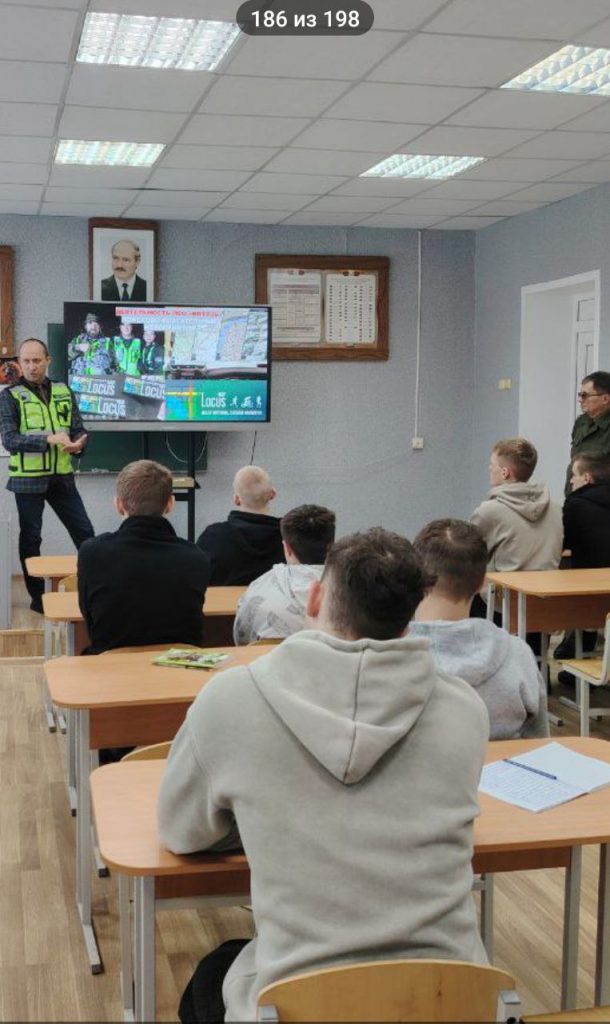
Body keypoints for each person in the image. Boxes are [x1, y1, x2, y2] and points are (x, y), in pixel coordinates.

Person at [158, 527, 489, 1023]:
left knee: (212, 975)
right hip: (452, 998)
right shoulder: (465, 709)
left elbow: (181, 833)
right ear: (410, 615)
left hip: (298, 1003)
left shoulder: (228, 699)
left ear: (314, 598)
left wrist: (260, 820)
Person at [410, 518, 548, 739]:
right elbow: (537, 742)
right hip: (507, 761)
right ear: (483, 583)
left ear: (414, 577)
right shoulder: (518, 653)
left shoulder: (389, 657)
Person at [77, 459, 210, 654]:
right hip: (179, 668)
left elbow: (89, 619)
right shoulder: (196, 557)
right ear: (170, 504)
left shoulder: (92, 552)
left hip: (111, 667)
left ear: (119, 505)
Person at [0, 338, 94, 613]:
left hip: (62, 476)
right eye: (26, 361)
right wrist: (48, 440)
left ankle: (93, 589)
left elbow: (78, 428)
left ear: (48, 360)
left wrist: (79, 444)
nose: (32, 366)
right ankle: (37, 598)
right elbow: (10, 440)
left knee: (85, 533)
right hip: (27, 479)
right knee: (31, 538)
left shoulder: (64, 390)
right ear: (19, 363)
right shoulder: (10, 396)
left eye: (37, 360)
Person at [233, 503, 336, 644]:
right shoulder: (355, 591)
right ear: (333, 546)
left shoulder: (259, 589)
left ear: (287, 548)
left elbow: (241, 638)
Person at [471, 438, 562, 574]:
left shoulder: (488, 512)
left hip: (502, 587)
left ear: (504, 473)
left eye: (492, 464)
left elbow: (467, 555)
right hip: (548, 587)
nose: (489, 468)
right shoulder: (557, 511)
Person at [554, 451, 610, 661]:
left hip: (588, 589)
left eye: (574, 475)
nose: (571, 481)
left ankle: (577, 653)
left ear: (586, 478)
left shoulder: (576, 505)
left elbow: (563, 543)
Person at [196, 465, 285, 585]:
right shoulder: (291, 537)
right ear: (272, 494)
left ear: (236, 499)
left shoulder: (212, 536)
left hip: (223, 598)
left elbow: (197, 578)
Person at [565, 372, 610, 495]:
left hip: (601, 499)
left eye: (585, 395)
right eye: (580, 395)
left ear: (605, 399)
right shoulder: (581, 422)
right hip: (575, 494)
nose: (580, 400)